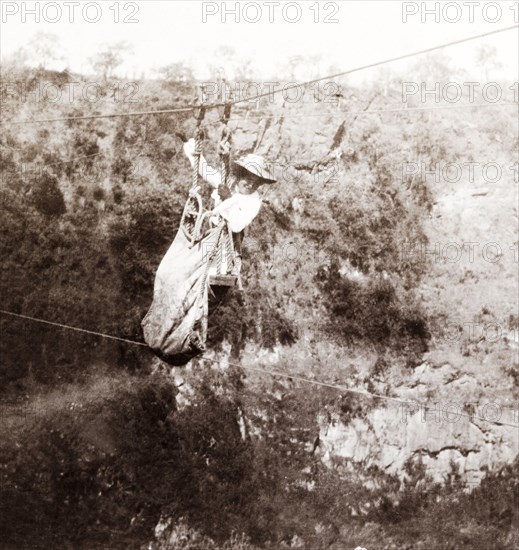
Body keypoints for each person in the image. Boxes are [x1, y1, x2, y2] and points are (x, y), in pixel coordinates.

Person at [183, 138, 276, 276]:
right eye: (249, 180)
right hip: (208, 238)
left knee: (212, 276)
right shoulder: (229, 183)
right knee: (185, 269)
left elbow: (237, 225)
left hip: (227, 249)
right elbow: (205, 171)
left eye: (256, 184)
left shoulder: (254, 201)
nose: (251, 186)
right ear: (240, 176)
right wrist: (191, 146)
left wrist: (228, 198)